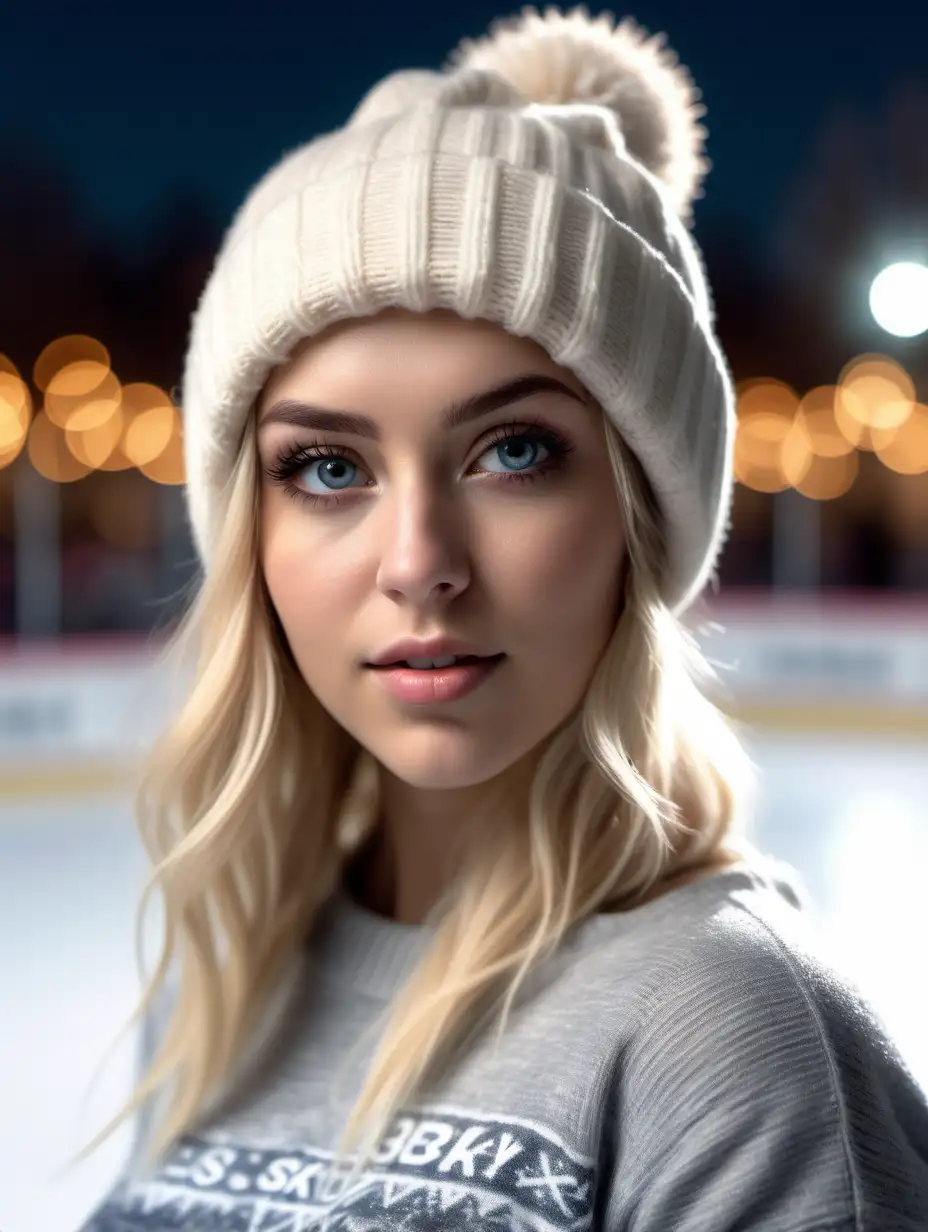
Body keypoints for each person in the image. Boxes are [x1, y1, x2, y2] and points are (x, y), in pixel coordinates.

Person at [75, 7, 928, 1229]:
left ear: (643, 506)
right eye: (326, 467)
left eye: (513, 450)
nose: (419, 563)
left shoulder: (731, 1036)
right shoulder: (222, 991)